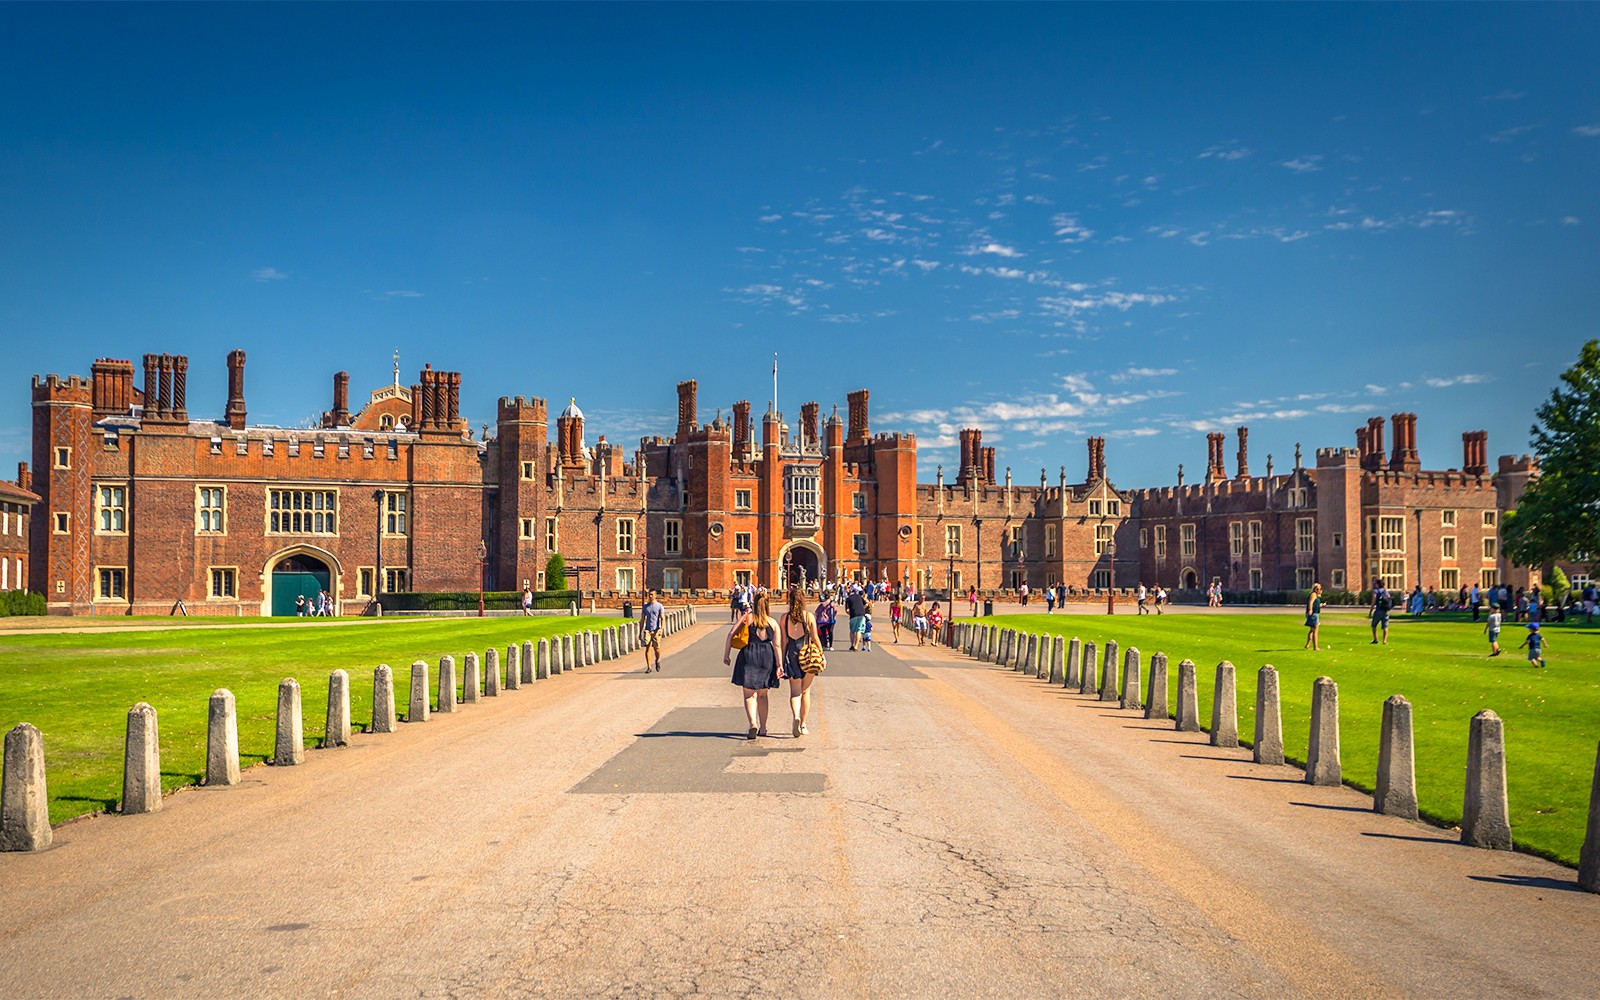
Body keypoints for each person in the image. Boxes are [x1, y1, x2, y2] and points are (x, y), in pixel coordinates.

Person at [724, 592, 781, 739]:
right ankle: (763, 728)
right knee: (763, 695)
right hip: (766, 656)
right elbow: (777, 645)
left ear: (754, 604)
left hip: (749, 654)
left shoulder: (747, 618)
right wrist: (780, 665)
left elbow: (731, 634)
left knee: (749, 694)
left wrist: (726, 655)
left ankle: (752, 724)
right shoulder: (773, 622)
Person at [780, 588, 820, 737]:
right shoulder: (808, 616)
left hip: (791, 653)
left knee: (795, 692)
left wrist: (781, 660)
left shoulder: (784, 618)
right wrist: (821, 654)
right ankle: (803, 725)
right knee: (806, 691)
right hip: (807, 654)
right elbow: (815, 638)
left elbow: (783, 641)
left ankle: (796, 716)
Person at [638, 589, 665, 672]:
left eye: (652, 594)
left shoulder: (659, 606)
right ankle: (649, 667)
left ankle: (657, 661)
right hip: (648, 630)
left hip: (656, 630)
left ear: (655, 595)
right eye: (649, 594)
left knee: (657, 649)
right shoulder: (645, 607)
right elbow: (642, 619)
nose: (650, 596)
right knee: (647, 648)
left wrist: (661, 629)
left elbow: (663, 618)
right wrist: (640, 631)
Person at [845, 585, 868, 651]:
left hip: (853, 615)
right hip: (861, 614)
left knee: (852, 631)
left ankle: (852, 645)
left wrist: (850, 614)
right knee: (859, 630)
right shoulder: (859, 596)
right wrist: (862, 609)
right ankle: (856, 646)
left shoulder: (848, 599)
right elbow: (866, 603)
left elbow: (847, 610)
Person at [1370, 579, 1392, 645]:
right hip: (1385, 611)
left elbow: (1373, 601)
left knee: (1374, 625)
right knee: (1385, 626)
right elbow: (1389, 599)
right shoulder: (1386, 591)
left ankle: (1375, 639)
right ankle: (1384, 641)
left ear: (1378, 584)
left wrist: (1370, 611)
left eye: (1375, 583)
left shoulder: (1376, 591)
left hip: (1378, 610)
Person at [1304, 583, 1325, 651]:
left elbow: (1315, 604)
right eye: (1317, 588)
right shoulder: (1313, 594)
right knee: (1315, 631)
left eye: (1320, 588)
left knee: (1311, 630)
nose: (1319, 590)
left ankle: (1307, 645)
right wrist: (1310, 610)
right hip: (1313, 614)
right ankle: (1315, 647)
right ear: (1314, 589)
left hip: (1314, 613)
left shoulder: (1317, 595)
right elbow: (1311, 602)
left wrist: (1320, 605)